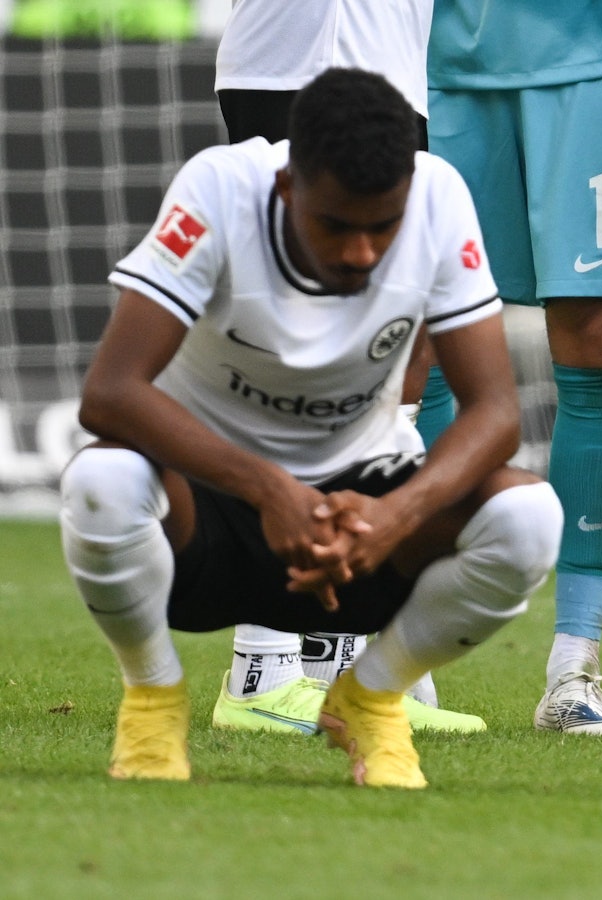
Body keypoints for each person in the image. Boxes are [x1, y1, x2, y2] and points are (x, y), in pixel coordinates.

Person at [58, 68, 563, 786]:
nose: (361, 251)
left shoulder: (439, 195)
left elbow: (495, 412)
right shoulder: (220, 188)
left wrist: (397, 514)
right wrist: (269, 490)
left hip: (361, 525)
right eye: (336, 225)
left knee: (528, 515)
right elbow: (109, 394)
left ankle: (371, 696)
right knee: (102, 478)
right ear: (289, 188)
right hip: (211, 514)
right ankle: (153, 698)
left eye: (381, 228)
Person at [424, 1, 602, 736]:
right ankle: (405, 658)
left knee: (596, 338)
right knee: (420, 341)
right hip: (440, 48)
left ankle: (573, 670)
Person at [209, 0, 482, 735]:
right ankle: (260, 666)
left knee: (382, 355)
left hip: (393, 68)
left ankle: (338, 662)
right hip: (288, 63)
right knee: (288, 356)